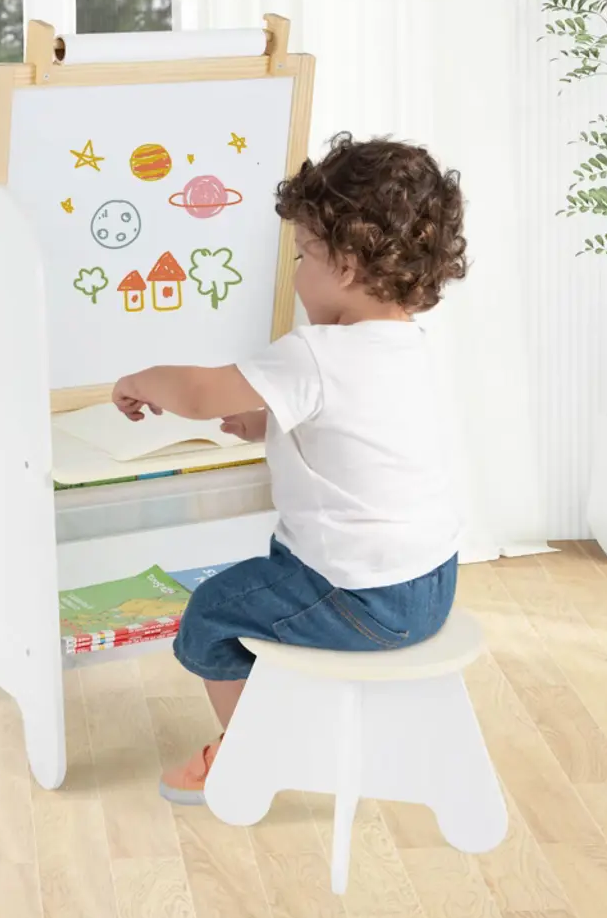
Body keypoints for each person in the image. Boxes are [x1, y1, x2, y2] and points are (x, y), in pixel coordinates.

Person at [111, 133, 467, 805]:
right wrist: (269, 419)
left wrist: (138, 379)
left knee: (211, 614)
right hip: (432, 585)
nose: (296, 274)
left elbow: (200, 394)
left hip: (361, 598)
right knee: (282, 563)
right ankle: (289, 713)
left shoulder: (315, 353)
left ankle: (250, 751)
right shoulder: (412, 347)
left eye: (303, 255)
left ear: (348, 266)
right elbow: (357, 431)